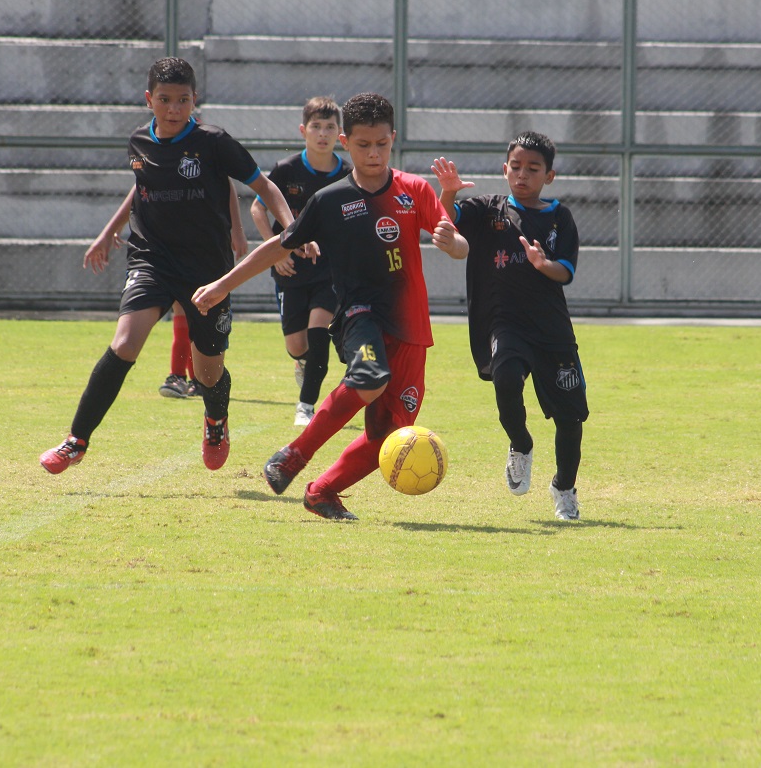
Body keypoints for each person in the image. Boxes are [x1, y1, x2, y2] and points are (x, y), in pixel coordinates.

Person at [192, 92, 469, 520]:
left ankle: (322, 492)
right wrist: (222, 285)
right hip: (360, 316)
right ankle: (292, 456)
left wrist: (454, 242)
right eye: (363, 145)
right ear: (345, 141)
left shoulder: (414, 189)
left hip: (413, 331)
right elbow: (276, 247)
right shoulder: (331, 200)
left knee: (389, 434)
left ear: (393, 139)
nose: (373, 153)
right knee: (370, 377)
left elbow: (456, 241)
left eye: (381, 144)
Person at [39, 56, 294, 474]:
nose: (174, 109)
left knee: (208, 372)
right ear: (148, 100)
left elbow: (263, 185)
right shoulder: (138, 142)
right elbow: (141, 187)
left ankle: (215, 419)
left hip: (208, 271)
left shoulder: (214, 142)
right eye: (164, 99)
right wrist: (108, 232)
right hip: (151, 259)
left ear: (195, 100)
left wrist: (292, 227)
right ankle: (75, 440)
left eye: (183, 100)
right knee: (124, 343)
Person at [431, 132, 588, 521]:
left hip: (551, 331)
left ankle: (564, 488)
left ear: (548, 176)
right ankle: (521, 443)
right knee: (505, 380)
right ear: (504, 170)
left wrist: (542, 265)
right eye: (515, 167)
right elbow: (446, 220)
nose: (522, 175)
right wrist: (448, 192)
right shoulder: (487, 210)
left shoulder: (559, 218)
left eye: (532, 169)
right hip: (505, 324)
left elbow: (565, 273)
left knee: (570, 420)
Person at [85, 182, 243, 400]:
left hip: (203, 250)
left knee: (196, 316)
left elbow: (227, 184)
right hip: (168, 251)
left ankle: (192, 379)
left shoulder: (207, 154)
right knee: (183, 316)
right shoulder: (156, 156)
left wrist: (237, 230)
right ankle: (179, 376)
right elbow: (140, 186)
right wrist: (111, 230)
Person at [250, 97, 352, 426]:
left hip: (329, 270)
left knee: (319, 332)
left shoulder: (349, 175)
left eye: (330, 127)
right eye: (316, 127)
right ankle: (304, 363)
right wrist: (274, 253)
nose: (323, 134)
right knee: (297, 345)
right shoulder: (286, 170)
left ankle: (306, 407)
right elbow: (257, 208)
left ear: (340, 133)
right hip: (290, 268)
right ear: (303, 131)